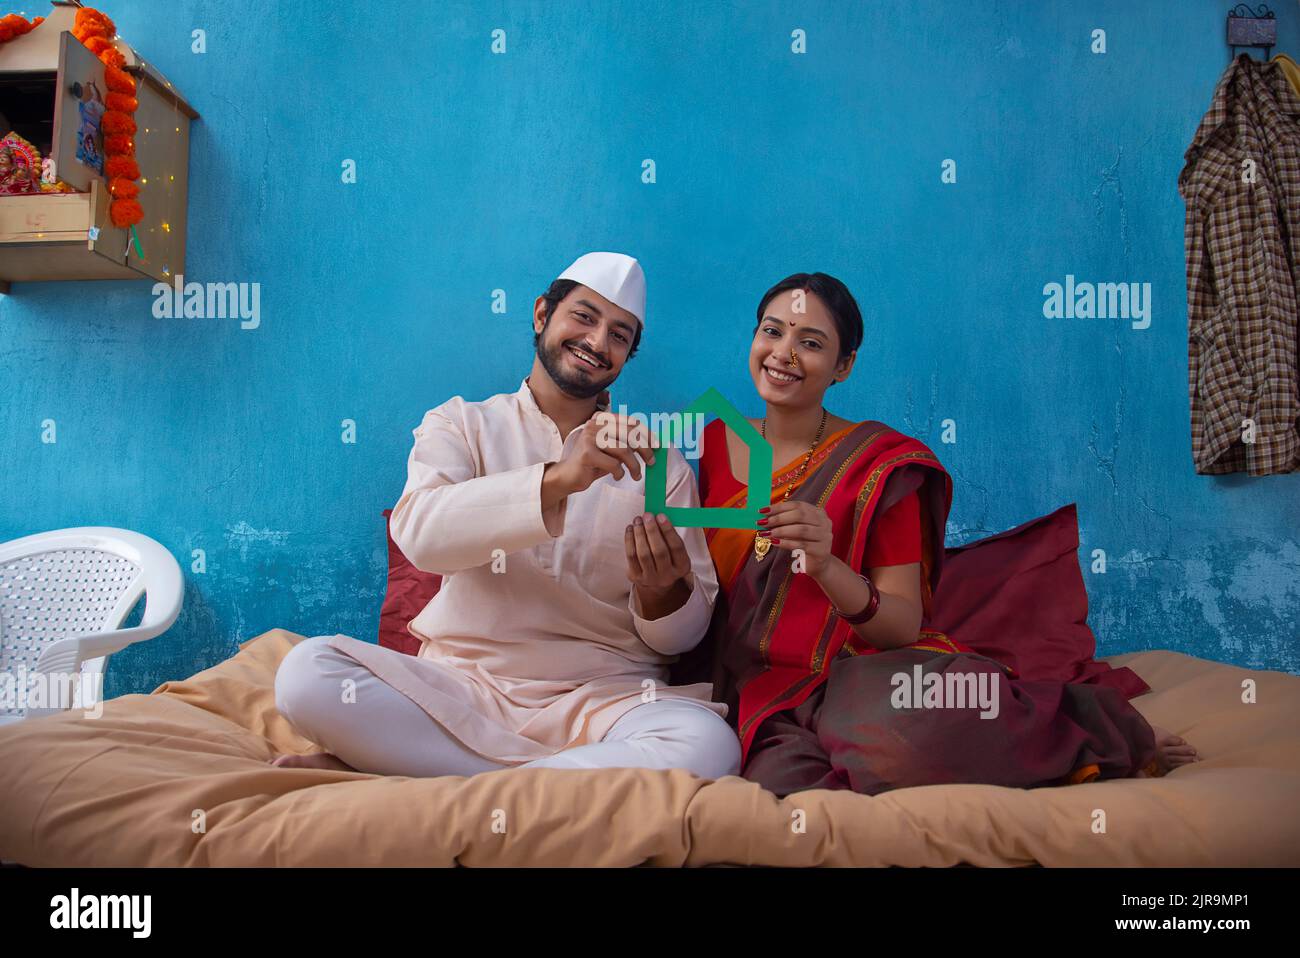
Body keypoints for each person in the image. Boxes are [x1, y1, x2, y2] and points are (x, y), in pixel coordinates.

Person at [670, 271, 1200, 797]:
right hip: (760, 687)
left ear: (843, 367)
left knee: (895, 739)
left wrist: (828, 565)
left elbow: (901, 625)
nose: (783, 353)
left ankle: (1097, 728)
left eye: (810, 343)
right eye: (772, 331)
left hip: (858, 673)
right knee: (781, 784)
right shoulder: (717, 439)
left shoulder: (879, 464)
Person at [270, 252, 740, 780]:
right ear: (542, 314)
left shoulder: (657, 461)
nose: (596, 342)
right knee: (305, 675)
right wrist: (561, 477)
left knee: (708, 745)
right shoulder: (460, 424)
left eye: (619, 334)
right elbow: (422, 537)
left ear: (628, 356)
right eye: (584, 317)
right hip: (463, 689)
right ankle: (552, 781)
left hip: (607, 701)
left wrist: (663, 596)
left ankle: (439, 773)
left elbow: (683, 637)